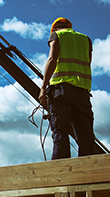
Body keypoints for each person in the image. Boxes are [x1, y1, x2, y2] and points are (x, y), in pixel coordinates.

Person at [38, 17, 96, 160]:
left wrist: (43, 87)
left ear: (55, 28)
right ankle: (88, 169)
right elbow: (88, 63)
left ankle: (60, 169)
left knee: (60, 132)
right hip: (82, 92)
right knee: (86, 135)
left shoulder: (57, 35)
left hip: (61, 91)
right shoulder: (86, 40)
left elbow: (52, 59)